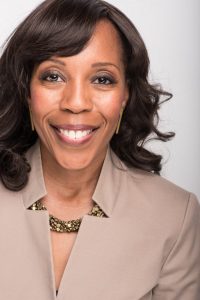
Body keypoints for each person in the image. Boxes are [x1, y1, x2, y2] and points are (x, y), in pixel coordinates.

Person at [0, 0, 199, 299]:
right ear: (26, 90)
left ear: (125, 95)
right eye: (53, 76)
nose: (76, 102)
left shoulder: (174, 216)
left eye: (102, 79)